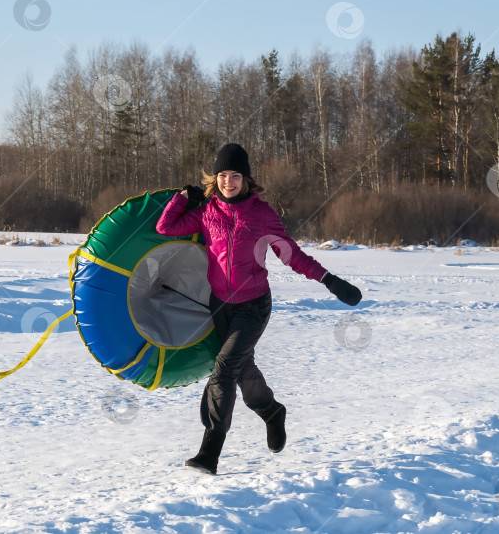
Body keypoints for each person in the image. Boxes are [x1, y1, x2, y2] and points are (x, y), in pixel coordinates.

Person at [155, 143, 362, 475]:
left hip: (252, 306)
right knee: (242, 371)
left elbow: (292, 255)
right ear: (215, 178)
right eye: (222, 175)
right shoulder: (207, 212)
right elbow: (166, 228)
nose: (228, 182)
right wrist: (182, 197)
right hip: (218, 304)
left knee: (223, 371)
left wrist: (329, 280)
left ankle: (210, 451)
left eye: (235, 176)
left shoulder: (262, 214)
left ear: (246, 179)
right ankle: (272, 412)